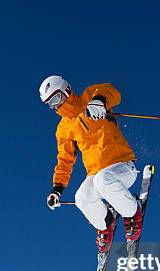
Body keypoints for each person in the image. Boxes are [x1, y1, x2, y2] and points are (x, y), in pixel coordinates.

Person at [40, 75, 142, 252]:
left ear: (66, 90)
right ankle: (106, 222)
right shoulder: (63, 129)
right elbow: (65, 159)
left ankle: (132, 212)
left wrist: (100, 100)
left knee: (103, 180)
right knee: (82, 198)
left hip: (122, 166)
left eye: (56, 98)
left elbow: (112, 92)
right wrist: (57, 189)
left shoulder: (89, 97)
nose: (56, 106)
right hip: (95, 175)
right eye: (50, 104)